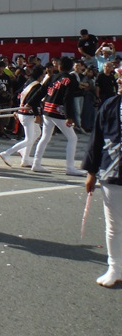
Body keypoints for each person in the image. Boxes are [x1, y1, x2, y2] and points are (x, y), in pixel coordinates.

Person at [84, 85, 122, 287]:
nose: (120, 81)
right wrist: (91, 172)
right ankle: (115, 267)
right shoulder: (110, 104)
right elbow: (96, 139)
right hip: (111, 171)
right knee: (114, 226)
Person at [30, 56, 87, 176]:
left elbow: (40, 92)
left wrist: (33, 108)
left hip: (47, 110)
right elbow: (68, 98)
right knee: (72, 138)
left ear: (59, 66)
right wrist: (69, 116)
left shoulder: (53, 77)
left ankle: (36, 163)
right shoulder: (70, 79)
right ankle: (70, 167)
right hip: (59, 112)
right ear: (71, 68)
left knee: (45, 137)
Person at [0, 65, 45, 168]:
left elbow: (17, 94)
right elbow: (32, 101)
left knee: (37, 133)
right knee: (28, 139)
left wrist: (17, 109)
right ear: (40, 75)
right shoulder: (37, 86)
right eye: (43, 75)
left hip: (23, 112)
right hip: (27, 114)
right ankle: (6, 153)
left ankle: (25, 158)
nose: (43, 77)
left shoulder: (28, 82)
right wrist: (37, 115)